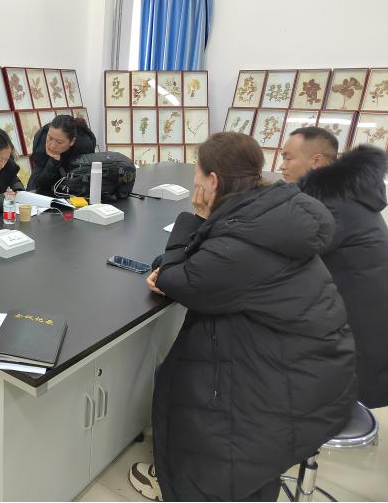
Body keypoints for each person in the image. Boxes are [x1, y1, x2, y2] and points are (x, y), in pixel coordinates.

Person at [129, 132, 356, 502]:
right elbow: (203, 263)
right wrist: (177, 262)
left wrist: (194, 218)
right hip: (315, 368)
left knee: (184, 385)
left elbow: (181, 280)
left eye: (197, 174)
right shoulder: (265, 210)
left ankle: (189, 483)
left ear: (213, 180)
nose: (195, 182)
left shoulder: (240, 241)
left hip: (288, 386)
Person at [283, 127, 388, 409]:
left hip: (359, 329)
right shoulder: (347, 193)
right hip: (364, 317)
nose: (282, 166)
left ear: (316, 161)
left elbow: (287, 251)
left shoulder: (332, 205)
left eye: (288, 158)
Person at [27, 114, 96, 194]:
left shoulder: (84, 146)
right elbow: (37, 185)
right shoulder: (42, 138)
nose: (52, 146)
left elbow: (81, 184)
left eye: (59, 142)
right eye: (50, 138)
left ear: (72, 141)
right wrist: (53, 162)